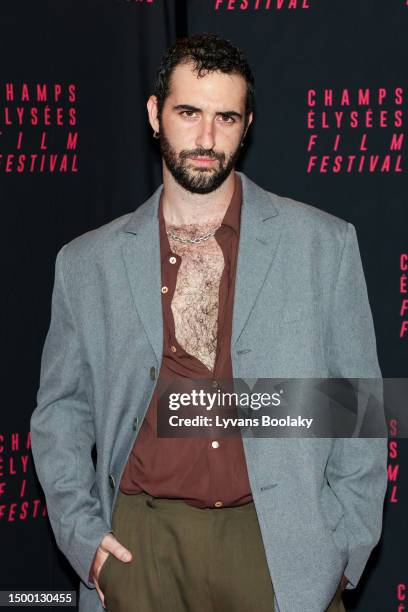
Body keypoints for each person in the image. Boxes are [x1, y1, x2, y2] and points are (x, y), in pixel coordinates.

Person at [30, 33, 388, 612]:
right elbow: (60, 415)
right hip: (139, 547)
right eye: (188, 112)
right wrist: (83, 537)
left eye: (225, 117)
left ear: (247, 124)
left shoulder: (324, 245)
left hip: (278, 549)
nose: (205, 138)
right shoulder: (85, 264)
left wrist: (341, 550)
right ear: (155, 114)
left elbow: (359, 409)